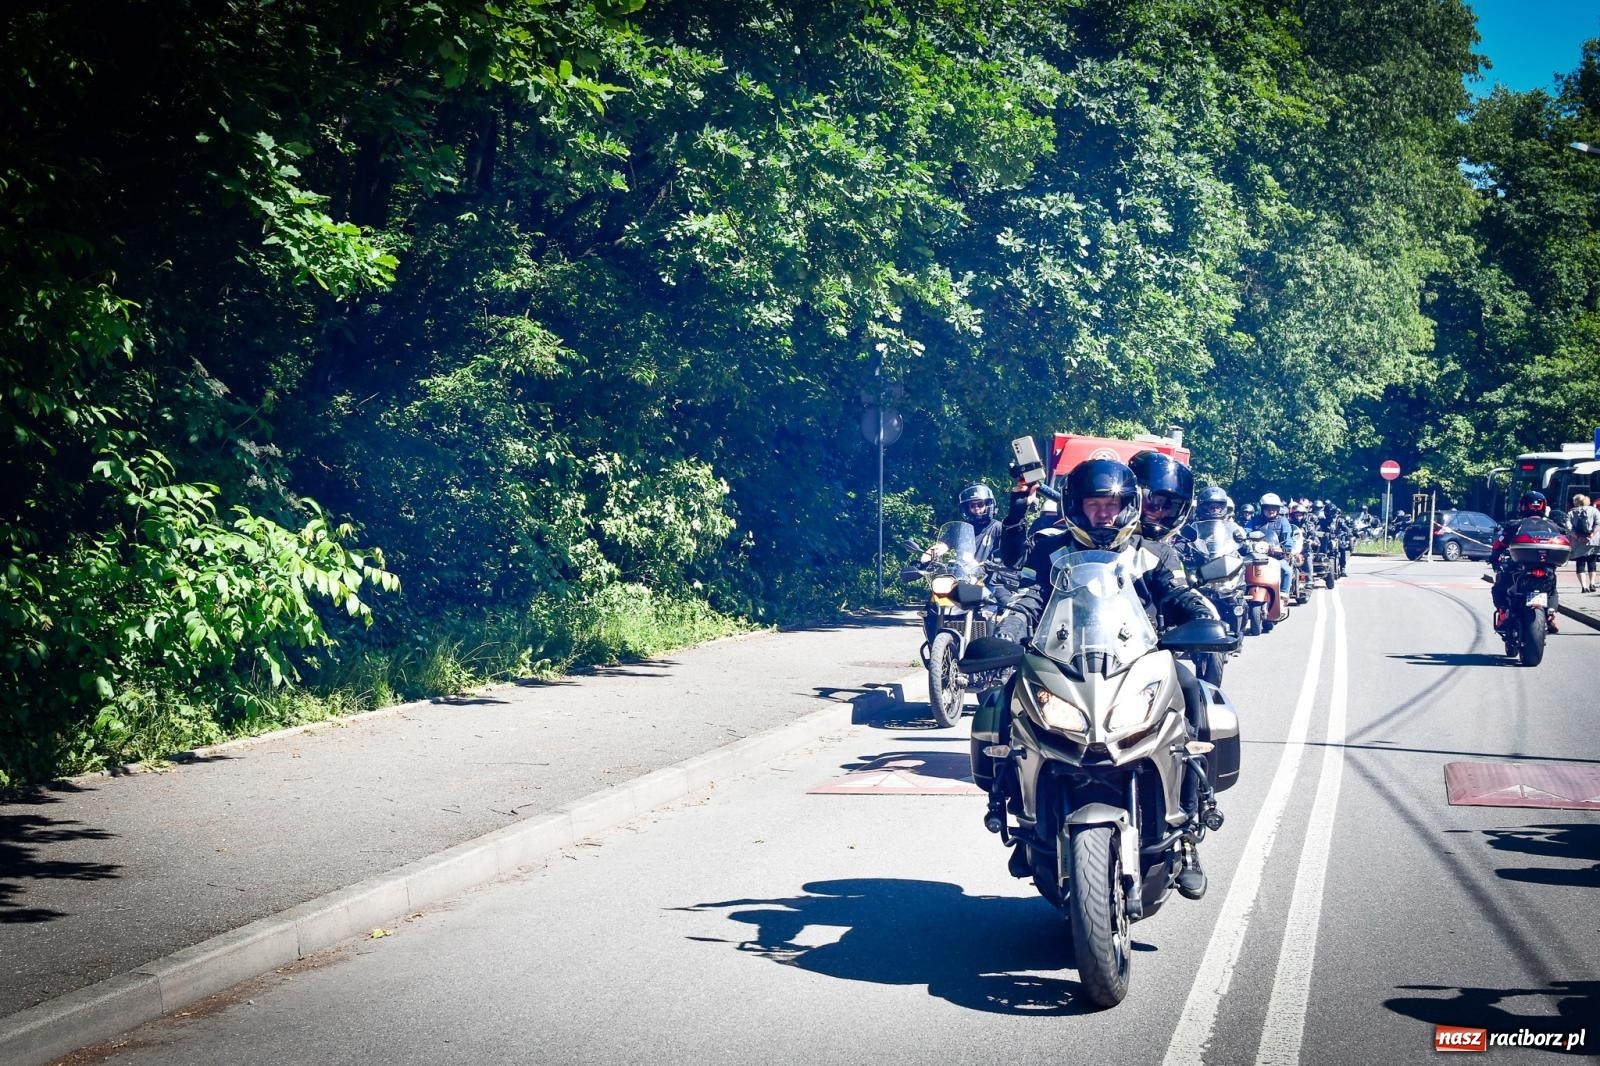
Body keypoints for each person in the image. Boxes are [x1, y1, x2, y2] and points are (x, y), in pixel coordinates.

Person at [996, 458, 1218, 895]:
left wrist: (1200, 617)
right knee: (1007, 699)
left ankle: (1191, 829)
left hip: (1138, 660)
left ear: (1128, 506)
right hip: (1064, 661)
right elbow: (1030, 596)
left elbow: (1175, 593)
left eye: (1111, 506)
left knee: (1193, 690)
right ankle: (1017, 814)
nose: (1103, 515)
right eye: (1094, 505)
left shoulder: (1153, 551)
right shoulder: (1049, 546)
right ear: (1076, 508)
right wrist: (1010, 628)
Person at [1489, 490, 1562, 633]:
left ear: (1522, 506)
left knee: (1499, 586)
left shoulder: (1515, 524)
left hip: (1519, 567)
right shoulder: (1553, 525)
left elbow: (1500, 544)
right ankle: (1551, 614)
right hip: (1545, 567)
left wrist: (1494, 557)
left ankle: (1503, 612)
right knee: (1552, 588)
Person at [1128, 450, 1195, 542]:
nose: (1158, 510)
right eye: (1151, 499)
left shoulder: (1176, 549)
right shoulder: (1111, 540)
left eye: (1168, 504)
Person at [1247, 493, 1298, 598]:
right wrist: (1245, 542)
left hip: (1276, 555)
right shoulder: (1254, 520)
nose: (1271, 510)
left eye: (1274, 508)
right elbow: (1245, 533)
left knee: (1287, 571)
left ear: (1278, 509)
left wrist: (1285, 548)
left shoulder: (1283, 521)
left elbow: (1288, 538)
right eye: (1267, 508)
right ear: (1262, 508)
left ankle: (1284, 594)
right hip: (1256, 556)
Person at [958, 483, 1003, 562]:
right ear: (967, 509)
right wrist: (929, 555)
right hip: (963, 572)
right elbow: (942, 545)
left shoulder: (998, 527)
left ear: (988, 505)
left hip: (988, 573)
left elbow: (1006, 553)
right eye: (972, 505)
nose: (976, 508)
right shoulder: (964, 529)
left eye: (980, 504)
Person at [1568, 493, 1600, 592]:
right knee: (1592, 562)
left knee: (1580, 564)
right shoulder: (1594, 511)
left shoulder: (1571, 512)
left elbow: (1568, 527)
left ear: (1575, 502)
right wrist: (1591, 535)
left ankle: (1584, 587)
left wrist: (1577, 537)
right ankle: (1592, 584)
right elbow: (1598, 524)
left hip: (1578, 543)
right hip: (1593, 541)